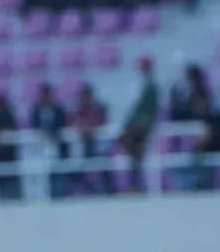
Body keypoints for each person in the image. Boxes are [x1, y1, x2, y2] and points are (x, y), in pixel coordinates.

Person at [119, 56, 159, 192]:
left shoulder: (151, 87)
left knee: (131, 145)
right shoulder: (142, 85)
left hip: (143, 125)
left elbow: (149, 110)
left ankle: (136, 182)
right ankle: (135, 181)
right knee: (133, 151)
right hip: (138, 124)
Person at [68, 83, 113, 195]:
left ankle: (108, 189)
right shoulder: (77, 111)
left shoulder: (99, 109)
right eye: (85, 96)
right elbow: (73, 124)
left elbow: (101, 124)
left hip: (97, 145)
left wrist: (89, 128)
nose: (87, 99)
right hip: (81, 146)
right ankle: (77, 190)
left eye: (89, 96)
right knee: (73, 164)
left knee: (104, 163)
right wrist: (86, 128)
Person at [29, 82, 69, 198]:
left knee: (58, 171)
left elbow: (62, 124)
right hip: (40, 146)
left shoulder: (58, 109)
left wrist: (51, 132)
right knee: (42, 172)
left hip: (56, 145)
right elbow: (34, 125)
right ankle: (44, 196)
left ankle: (60, 195)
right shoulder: (36, 109)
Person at [0, 93, 21, 200]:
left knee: (11, 175)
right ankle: (4, 198)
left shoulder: (8, 114)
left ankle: (13, 198)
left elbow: (13, 129)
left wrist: (0, 132)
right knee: (1, 176)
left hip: (9, 150)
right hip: (0, 151)